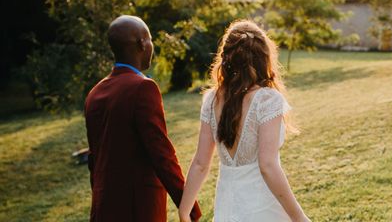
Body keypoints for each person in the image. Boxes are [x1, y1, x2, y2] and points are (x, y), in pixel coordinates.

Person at [178, 20, 310, 222]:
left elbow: (200, 163)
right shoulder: (267, 100)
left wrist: (184, 210)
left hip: (227, 207)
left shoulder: (211, 100)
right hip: (262, 208)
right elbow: (267, 165)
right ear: (264, 57)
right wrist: (299, 217)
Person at [84, 15, 201, 222]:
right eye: (150, 39)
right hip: (138, 207)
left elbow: (95, 159)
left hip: (103, 206)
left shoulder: (95, 92)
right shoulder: (142, 87)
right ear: (142, 43)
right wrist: (189, 206)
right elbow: (161, 154)